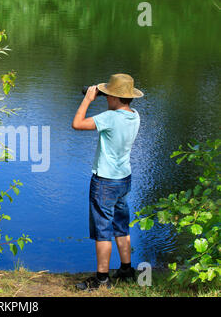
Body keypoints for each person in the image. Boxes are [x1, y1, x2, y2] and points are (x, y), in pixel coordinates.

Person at [71, 73, 143, 291]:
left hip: (105, 182)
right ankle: (126, 269)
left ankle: (102, 278)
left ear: (113, 97)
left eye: (108, 94)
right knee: (121, 225)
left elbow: (77, 123)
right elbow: (115, 112)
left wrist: (88, 99)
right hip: (124, 179)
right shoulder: (135, 116)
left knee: (103, 230)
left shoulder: (110, 118)